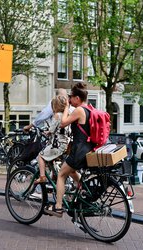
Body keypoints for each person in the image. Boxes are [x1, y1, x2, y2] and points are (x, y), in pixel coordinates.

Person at [44, 82, 95, 217]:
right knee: (71, 171)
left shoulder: (79, 110)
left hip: (79, 151)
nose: (70, 99)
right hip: (87, 150)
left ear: (77, 98)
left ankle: (58, 207)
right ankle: (84, 189)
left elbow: (62, 123)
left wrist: (66, 107)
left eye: (71, 97)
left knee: (61, 174)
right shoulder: (89, 109)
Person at [34, 95, 70, 184]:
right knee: (51, 159)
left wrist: (46, 132)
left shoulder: (57, 115)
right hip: (66, 143)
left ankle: (42, 177)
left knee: (41, 156)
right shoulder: (67, 115)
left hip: (58, 144)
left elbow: (52, 129)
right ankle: (54, 176)